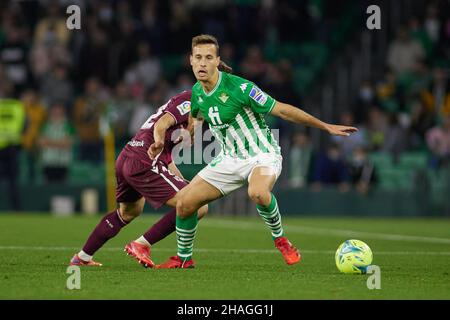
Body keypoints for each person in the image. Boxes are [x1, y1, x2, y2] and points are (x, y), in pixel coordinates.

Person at [156, 34, 358, 269]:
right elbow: (196, 116)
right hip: (229, 158)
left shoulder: (241, 88)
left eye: (208, 57)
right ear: (190, 60)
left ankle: (281, 240)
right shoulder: (197, 92)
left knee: (258, 193)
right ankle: (183, 258)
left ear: (217, 60)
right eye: (198, 57)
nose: (202, 63)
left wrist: (325, 126)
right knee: (185, 203)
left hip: (262, 154)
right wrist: (189, 133)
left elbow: (281, 110)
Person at [69, 90, 208, 267]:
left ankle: (82, 257)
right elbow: (161, 124)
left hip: (128, 157)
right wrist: (158, 142)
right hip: (144, 160)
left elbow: (167, 158)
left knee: (128, 212)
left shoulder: (191, 113)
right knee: (199, 205)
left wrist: (186, 185)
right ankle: (141, 244)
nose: (200, 122)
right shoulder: (190, 101)